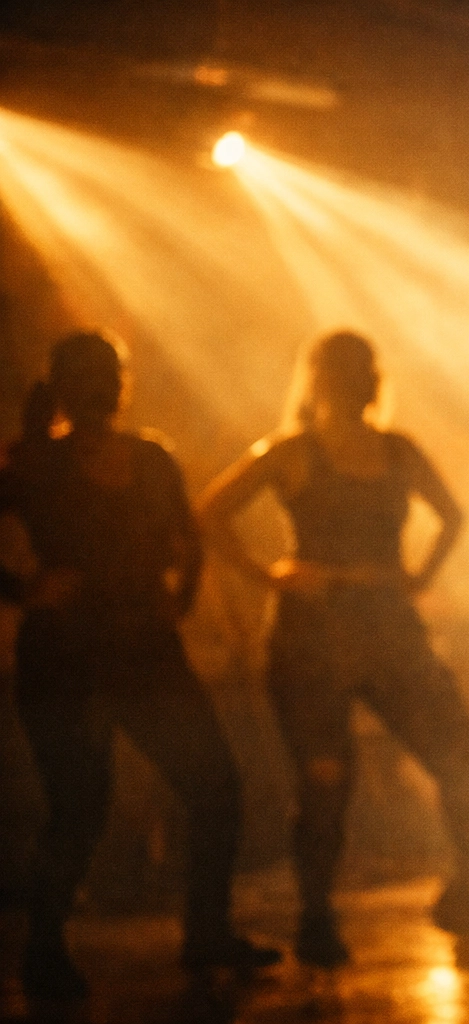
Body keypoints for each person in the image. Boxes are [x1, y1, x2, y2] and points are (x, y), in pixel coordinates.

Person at [198, 331, 469, 968]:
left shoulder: (395, 452)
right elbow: (211, 511)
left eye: (359, 371)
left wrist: (417, 578)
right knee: (326, 780)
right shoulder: (294, 452)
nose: (353, 382)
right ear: (322, 380)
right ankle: (317, 918)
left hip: (386, 626)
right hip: (312, 635)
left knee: (457, 753)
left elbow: (454, 516)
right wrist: (271, 574)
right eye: (343, 372)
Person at [0, 332, 280, 1001]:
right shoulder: (37, 463)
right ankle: (43, 951)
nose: (107, 388)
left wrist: (177, 597)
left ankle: (204, 932)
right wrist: (24, 589)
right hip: (68, 656)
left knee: (211, 786)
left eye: (110, 376)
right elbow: (188, 541)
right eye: (97, 377)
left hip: (142, 652)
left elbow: (188, 536)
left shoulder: (152, 459)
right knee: (81, 806)